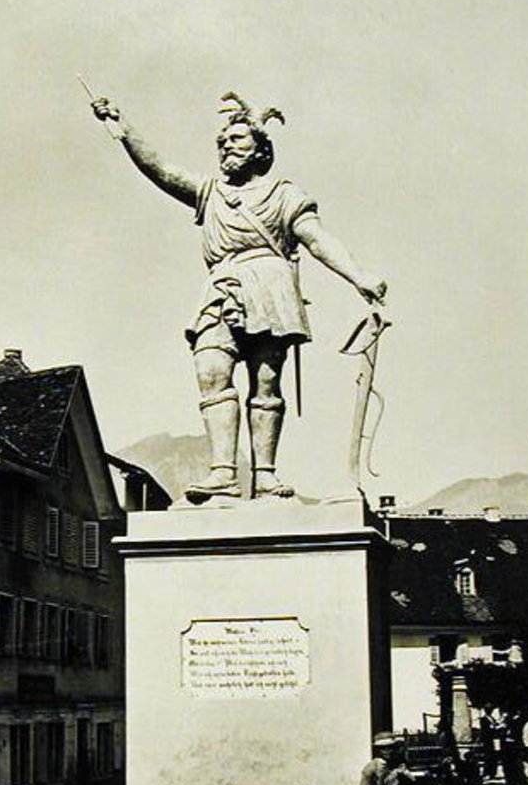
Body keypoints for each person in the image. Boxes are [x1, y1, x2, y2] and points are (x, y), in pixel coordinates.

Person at [90, 91, 387, 502]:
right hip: (220, 284)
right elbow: (160, 170)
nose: (226, 145)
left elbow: (317, 240)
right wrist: (123, 130)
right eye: (222, 141)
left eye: (237, 140)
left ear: (261, 150)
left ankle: (264, 474)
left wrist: (358, 276)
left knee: (265, 382)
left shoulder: (284, 195)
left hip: (269, 283)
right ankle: (223, 473)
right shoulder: (209, 191)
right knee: (211, 371)